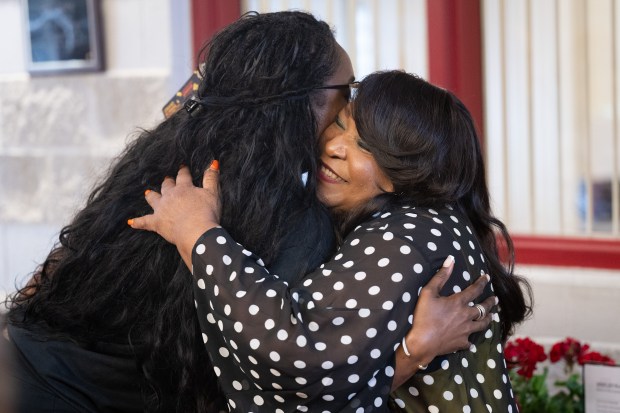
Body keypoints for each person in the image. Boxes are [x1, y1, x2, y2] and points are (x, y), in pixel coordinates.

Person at [4, 12, 489, 413]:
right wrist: (413, 351)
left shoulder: (171, 152)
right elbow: (289, 391)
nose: (353, 106)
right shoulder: (292, 224)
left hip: (23, 366)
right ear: (301, 107)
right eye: (345, 100)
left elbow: (61, 263)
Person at [129, 70, 532, 412]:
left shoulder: (406, 238)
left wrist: (197, 233)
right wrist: (412, 351)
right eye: (340, 123)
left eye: (365, 146)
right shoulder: (425, 221)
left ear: (407, 172)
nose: (334, 147)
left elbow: (299, 352)